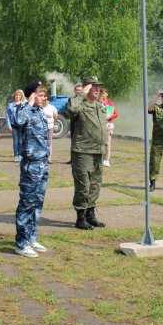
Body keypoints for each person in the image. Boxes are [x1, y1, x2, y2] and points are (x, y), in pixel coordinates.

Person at [11, 80, 49, 258]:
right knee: (26, 203)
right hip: (31, 164)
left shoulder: (39, 112)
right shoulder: (24, 110)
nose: (45, 97)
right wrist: (29, 103)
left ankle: (31, 237)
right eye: (41, 94)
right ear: (32, 95)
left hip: (42, 162)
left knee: (37, 203)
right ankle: (21, 243)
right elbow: (17, 122)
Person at [67, 76, 107, 230]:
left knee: (95, 185)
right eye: (93, 87)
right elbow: (71, 109)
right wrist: (81, 94)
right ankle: (80, 217)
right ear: (86, 88)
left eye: (98, 87)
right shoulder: (79, 104)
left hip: (98, 151)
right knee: (83, 185)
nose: (97, 90)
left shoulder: (99, 106)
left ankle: (91, 215)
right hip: (83, 151)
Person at [98, 87, 118, 167]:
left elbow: (115, 114)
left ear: (107, 94)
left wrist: (109, 118)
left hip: (107, 125)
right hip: (98, 125)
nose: (102, 94)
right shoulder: (96, 102)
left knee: (107, 143)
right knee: (99, 142)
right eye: (101, 93)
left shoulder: (109, 103)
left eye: (104, 93)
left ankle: (106, 159)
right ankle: (99, 159)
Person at [6, 89, 26, 162]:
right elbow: (8, 116)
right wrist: (9, 126)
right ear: (14, 96)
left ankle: (20, 155)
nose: (17, 96)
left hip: (22, 125)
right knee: (15, 141)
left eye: (19, 95)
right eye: (16, 95)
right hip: (14, 125)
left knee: (21, 141)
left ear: (21, 96)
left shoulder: (24, 104)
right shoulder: (10, 105)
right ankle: (16, 155)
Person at [43, 93, 58, 162]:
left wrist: (52, 123)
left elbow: (56, 116)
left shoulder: (52, 107)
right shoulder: (40, 107)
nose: (46, 100)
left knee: (49, 142)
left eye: (47, 99)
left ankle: (49, 157)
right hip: (41, 128)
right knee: (42, 142)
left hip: (50, 127)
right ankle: (42, 157)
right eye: (44, 99)